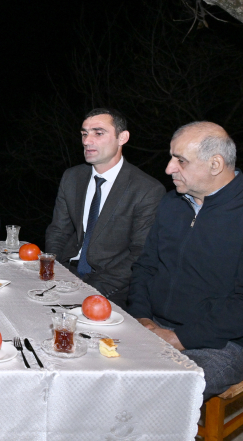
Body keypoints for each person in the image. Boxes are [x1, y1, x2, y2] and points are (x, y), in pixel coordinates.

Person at [128, 122, 243, 399]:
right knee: (88, 366)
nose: (169, 168)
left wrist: (178, 338)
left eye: (180, 160)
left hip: (225, 344)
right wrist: (142, 317)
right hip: (155, 325)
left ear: (215, 164)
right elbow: (146, 267)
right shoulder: (172, 203)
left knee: (154, 395)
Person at [44, 108, 164, 306]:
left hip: (111, 287)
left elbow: (140, 253)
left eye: (98, 133)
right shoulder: (72, 177)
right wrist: (54, 269)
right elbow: (58, 230)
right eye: (84, 133)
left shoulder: (147, 189)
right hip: (66, 275)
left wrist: (91, 292)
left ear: (122, 138)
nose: (87, 141)